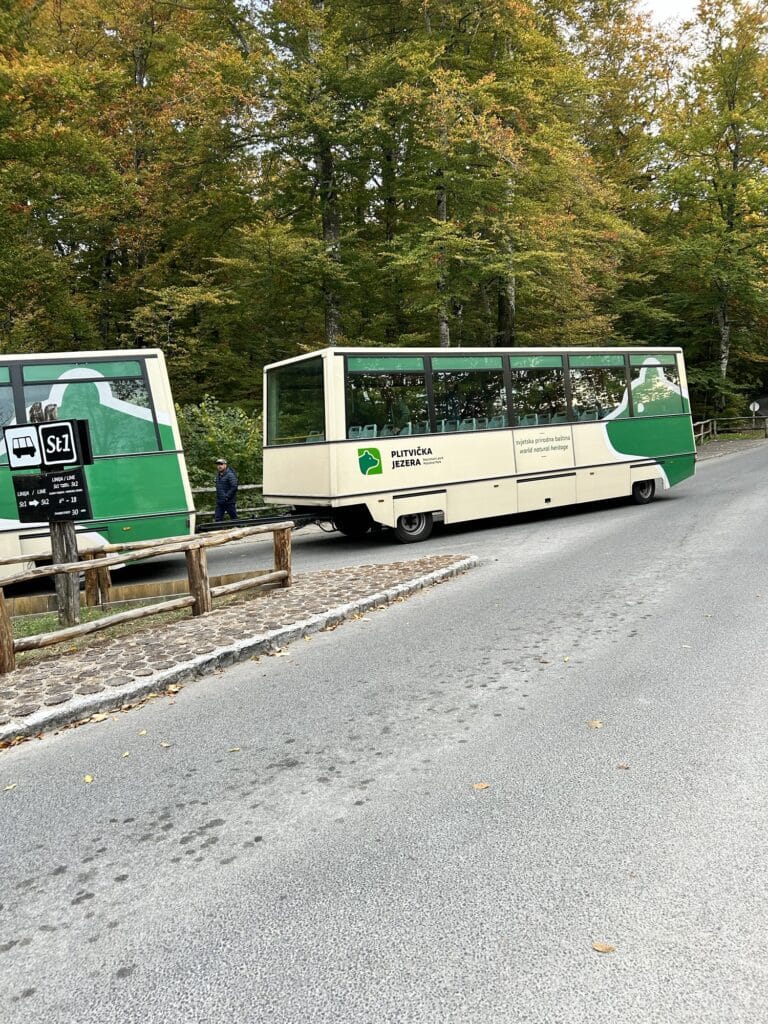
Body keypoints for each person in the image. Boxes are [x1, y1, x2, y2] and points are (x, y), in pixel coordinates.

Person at [214, 457, 238, 522]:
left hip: (229, 502)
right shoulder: (218, 476)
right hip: (220, 502)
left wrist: (227, 496)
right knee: (218, 519)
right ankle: (219, 531)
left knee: (234, 519)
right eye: (218, 464)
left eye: (221, 464)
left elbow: (234, 486)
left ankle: (240, 530)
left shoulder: (230, 475)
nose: (219, 466)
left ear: (225, 465)